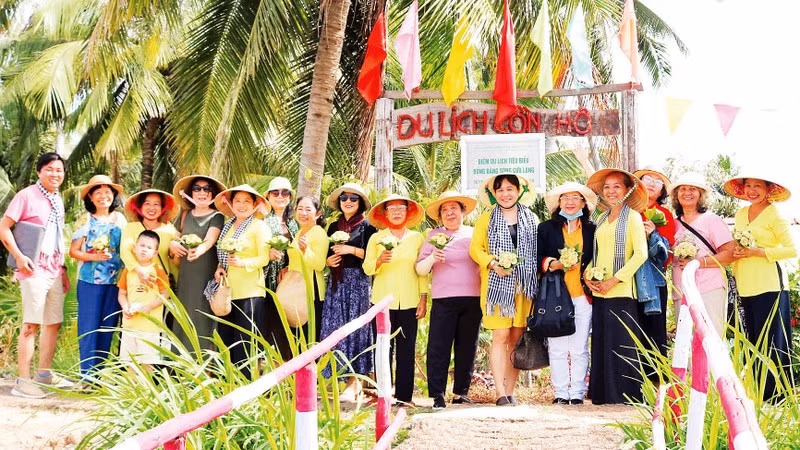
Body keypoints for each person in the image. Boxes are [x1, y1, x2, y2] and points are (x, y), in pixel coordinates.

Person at [0, 153, 73, 398]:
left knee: (53, 322)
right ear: (40, 171)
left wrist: (62, 270)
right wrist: (20, 257)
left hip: (54, 269)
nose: (55, 174)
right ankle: (22, 381)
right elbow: (3, 227)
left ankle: (44, 374)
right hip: (32, 268)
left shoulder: (58, 199)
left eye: (59, 170)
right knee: (31, 324)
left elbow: (57, 236)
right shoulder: (26, 196)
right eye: (50, 169)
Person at [725, 174, 797, 401]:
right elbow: (738, 244)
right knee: (752, 339)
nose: (752, 190)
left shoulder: (775, 214)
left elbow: (792, 249)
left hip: (769, 285)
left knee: (773, 341)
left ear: (769, 189)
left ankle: (777, 397)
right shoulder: (740, 213)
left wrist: (759, 252)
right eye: (748, 186)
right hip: (744, 284)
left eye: (758, 186)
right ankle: (757, 392)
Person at [470, 173, 539, 406]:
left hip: (523, 287)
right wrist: (492, 263)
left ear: (519, 191)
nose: (505, 194)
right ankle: (499, 392)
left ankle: (510, 391)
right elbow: (475, 249)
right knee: (499, 335)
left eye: (510, 189)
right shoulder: (486, 218)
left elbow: (538, 251)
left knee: (516, 338)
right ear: (494, 194)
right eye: (500, 190)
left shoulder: (531, 218)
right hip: (496, 288)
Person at [584, 168, 648, 405]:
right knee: (602, 341)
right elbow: (594, 253)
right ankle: (603, 394)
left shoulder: (633, 217)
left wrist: (615, 279)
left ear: (627, 190)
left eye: (616, 187)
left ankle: (626, 395)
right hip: (600, 291)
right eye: (607, 187)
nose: (611, 192)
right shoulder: (599, 218)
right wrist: (588, 274)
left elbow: (641, 254)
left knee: (623, 343)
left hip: (621, 290)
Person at [416, 191, 481, 410]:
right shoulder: (433, 235)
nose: (449, 213)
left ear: (463, 212)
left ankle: (461, 392)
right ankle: (437, 394)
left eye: (454, 208)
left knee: (467, 346)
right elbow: (420, 269)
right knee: (439, 346)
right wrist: (433, 257)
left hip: (473, 298)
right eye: (445, 210)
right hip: (443, 299)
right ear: (440, 216)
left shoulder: (474, 234)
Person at [364, 194, 428, 407]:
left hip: (409, 300)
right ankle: (383, 394)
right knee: (383, 348)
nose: (397, 212)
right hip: (382, 301)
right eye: (392, 208)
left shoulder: (417, 238)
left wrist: (423, 297)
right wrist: (379, 260)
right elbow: (367, 268)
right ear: (385, 213)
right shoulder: (377, 238)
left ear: (408, 212)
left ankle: (405, 396)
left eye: (401, 208)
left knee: (406, 348)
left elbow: (421, 271)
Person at [537, 182, 597, 405]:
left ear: (583, 202)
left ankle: (578, 393)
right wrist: (554, 264)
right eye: (565, 198)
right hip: (555, 296)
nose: (570, 202)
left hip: (583, 295)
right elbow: (537, 258)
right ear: (558, 203)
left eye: (575, 198)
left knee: (580, 347)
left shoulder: (592, 229)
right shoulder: (546, 229)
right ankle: (561, 392)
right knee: (558, 346)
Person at [320, 183, 377, 399]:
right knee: (334, 328)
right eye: (344, 198)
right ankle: (336, 378)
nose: (349, 202)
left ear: (360, 203)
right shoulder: (334, 227)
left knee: (356, 330)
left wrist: (350, 249)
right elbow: (327, 254)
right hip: (337, 283)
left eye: (354, 198)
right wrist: (329, 260)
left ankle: (355, 382)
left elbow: (372, 256)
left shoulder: (368, 227)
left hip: (358, 283)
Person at [210, 185, 271, 379]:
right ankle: (224, 385)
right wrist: (220, 267)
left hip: (251, 292)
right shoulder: (227, 226)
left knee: (245, 342)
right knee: (226, 338)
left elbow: (264, 258)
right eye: (237, 201)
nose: (242, 205)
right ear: (230, 203)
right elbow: (222, 254)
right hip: (228, 291)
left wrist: (243, 262)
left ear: (255, 204)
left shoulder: (259, 226)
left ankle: (243, 385)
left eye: (247, 201)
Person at [69, 175, 127, 378]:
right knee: (88, 326)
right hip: (89, 282)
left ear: (114, 196)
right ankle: (86, 376)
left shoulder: (120, 220)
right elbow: (74, 251)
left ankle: (99, 375)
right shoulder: (84, 219)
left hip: (115, 283)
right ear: (91, 198)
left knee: (107, 327)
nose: (104, 196)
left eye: (108, 192)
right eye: (98, 193)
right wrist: (92, 256)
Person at [671, 172, 734, 337]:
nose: (687, 193)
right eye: (682, 189)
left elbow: (730, 254)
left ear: (701, 195)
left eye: (693, 189)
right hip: (681, 292)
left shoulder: (711, 220)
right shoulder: (673, 224)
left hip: (708, 289)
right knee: (686, 347)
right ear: (676, 195)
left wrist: (698, 262)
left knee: (710, 341)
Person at [168, 175, 226, 350]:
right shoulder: (184, 214)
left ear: (213, 194)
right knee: (184, 314)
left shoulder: (217, 216)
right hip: (186, 276)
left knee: (203, 317)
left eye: (207, 189)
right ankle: (179, 364)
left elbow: (210, 240)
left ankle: (203, 365)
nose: (202, 193)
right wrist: (173, 244)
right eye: (197, 188)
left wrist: (199, 250)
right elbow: (174, 237)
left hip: (205, 275)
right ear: (190, 192)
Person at [633, 168, 675, 361]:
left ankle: (656, 385)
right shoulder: (626, 209)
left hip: (654, 281)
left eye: (657, 182)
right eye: (647, 179)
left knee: (654, 335)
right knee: (631, 331)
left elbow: (665, 256)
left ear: (662, 191)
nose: (651, 183)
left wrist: (652, 235)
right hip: (625, 279)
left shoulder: (664, 214)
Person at [117, 231, 169, 369]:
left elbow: (165, 294)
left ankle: (146, 390)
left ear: (155, 253)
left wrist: (150, 307)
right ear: (134, 248)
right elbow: (122, 293)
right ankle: (131, 389)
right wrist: (125, 307)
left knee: (147, 362)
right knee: (130, 362)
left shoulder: (157, 270)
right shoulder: (129, 270)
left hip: (149, 326)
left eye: (149, 247)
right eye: (142, 245)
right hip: (130, 325)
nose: (144, 249)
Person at [262, 177, 297, 359]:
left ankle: (285, 365)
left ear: (290, 197)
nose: (280, 196)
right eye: (275, 192)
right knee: (268, 321)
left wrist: (289, 267)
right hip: (266, 276)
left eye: (285, 193)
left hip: (289, 279)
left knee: (287, 321)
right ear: (268, 196)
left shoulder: (294, 222)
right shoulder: (261, 219)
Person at [286, 196, 328, 343]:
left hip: (311, 292)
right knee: (297, 338)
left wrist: (306, 251)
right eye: (300, 209)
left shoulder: (319, 233)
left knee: (310, 339)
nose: (303, 213)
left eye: (308, 209)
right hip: (295, 292)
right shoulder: (298, 233)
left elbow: (319, 265)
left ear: (318, 213)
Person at [120, 190, 180, 294]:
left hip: (162, 285)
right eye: (147, 203)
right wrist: (139, 270)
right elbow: (125, 252)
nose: (152, 208)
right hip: (137, 283)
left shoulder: (170, 230)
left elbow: (174, 260)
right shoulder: (131, 228)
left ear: (162, 208)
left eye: (156, 204)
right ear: (139, 207)